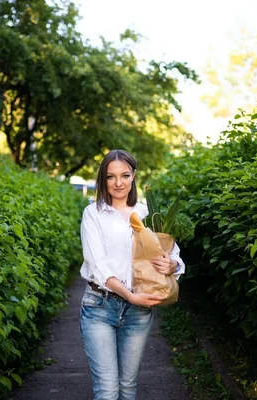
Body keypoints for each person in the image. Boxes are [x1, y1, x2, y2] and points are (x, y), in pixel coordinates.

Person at [79, 149, 185, 400]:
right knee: (107, 391)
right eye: (110, 176)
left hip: (138, 312)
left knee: (127, 387)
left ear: (134, 175)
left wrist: (172, 265)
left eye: (125, 175)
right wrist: (130, 296)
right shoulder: (93, 214)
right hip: (99, 306)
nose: (118, 183)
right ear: (102, 179)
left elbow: (173, 253)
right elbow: (99, 266)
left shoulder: (149, 212)